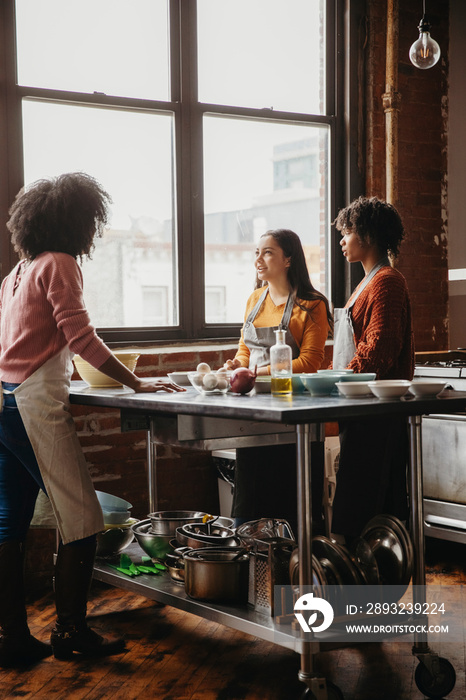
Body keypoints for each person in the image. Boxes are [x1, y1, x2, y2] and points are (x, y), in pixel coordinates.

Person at [0, 172, 185, 667]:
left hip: (4, 402)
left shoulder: (14, 275)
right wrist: (138, 383)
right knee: (83, 520)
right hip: (34, 405)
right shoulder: (59, 264)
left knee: (7, 521)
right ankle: (71, 632)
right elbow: (82, 340)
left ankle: (12, 638)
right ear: (78, 221)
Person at [224, 229, 332, 532]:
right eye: (257, 252)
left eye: (268, 252)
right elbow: (245, 348)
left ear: (288, 259)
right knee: (249, 506)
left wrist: (261, 373)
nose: (259, 259)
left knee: (295, 508)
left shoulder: (312, 305)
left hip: (294, 415)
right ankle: (252, 569)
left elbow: (310, 363)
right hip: (254, 414)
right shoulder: (255, 299)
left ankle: (301, 570)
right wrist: (236, 366)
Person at [330, 196, 415, 542]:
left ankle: (369, 589)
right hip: (359, 405)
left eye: (347, 233)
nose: (342, 240)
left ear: (367, 235)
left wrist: (339, 380)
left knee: (369, 508)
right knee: (358, 501)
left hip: (378, 412)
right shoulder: (365, 284)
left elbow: (380, 347)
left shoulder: (386, 282)